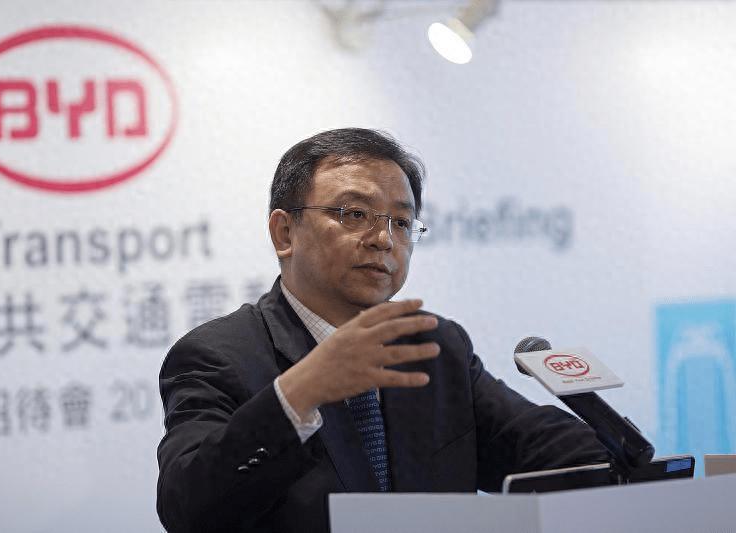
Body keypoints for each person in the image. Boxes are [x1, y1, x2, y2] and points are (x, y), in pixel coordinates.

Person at [156, 128, 608, 533]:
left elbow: (551, 451)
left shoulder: (432, 345)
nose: (383, 239)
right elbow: (189, 509)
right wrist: (300, 391)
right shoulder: (216, 356)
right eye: (355, 214)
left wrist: (623, 454)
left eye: (402, 222)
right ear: (284, 233)